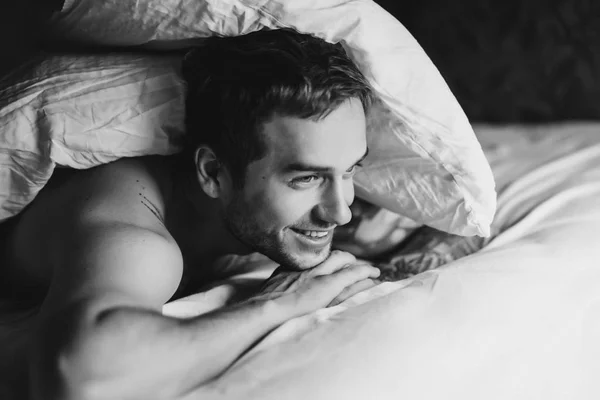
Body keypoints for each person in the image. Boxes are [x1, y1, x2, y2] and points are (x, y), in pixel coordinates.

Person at [0, 29, 381, 399]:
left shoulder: (254, 217)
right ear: (213, 173)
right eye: (306, 178)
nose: (340, 212)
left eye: (349, 170)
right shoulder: (138, 239)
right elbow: (83, 384)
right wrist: (281, 303)